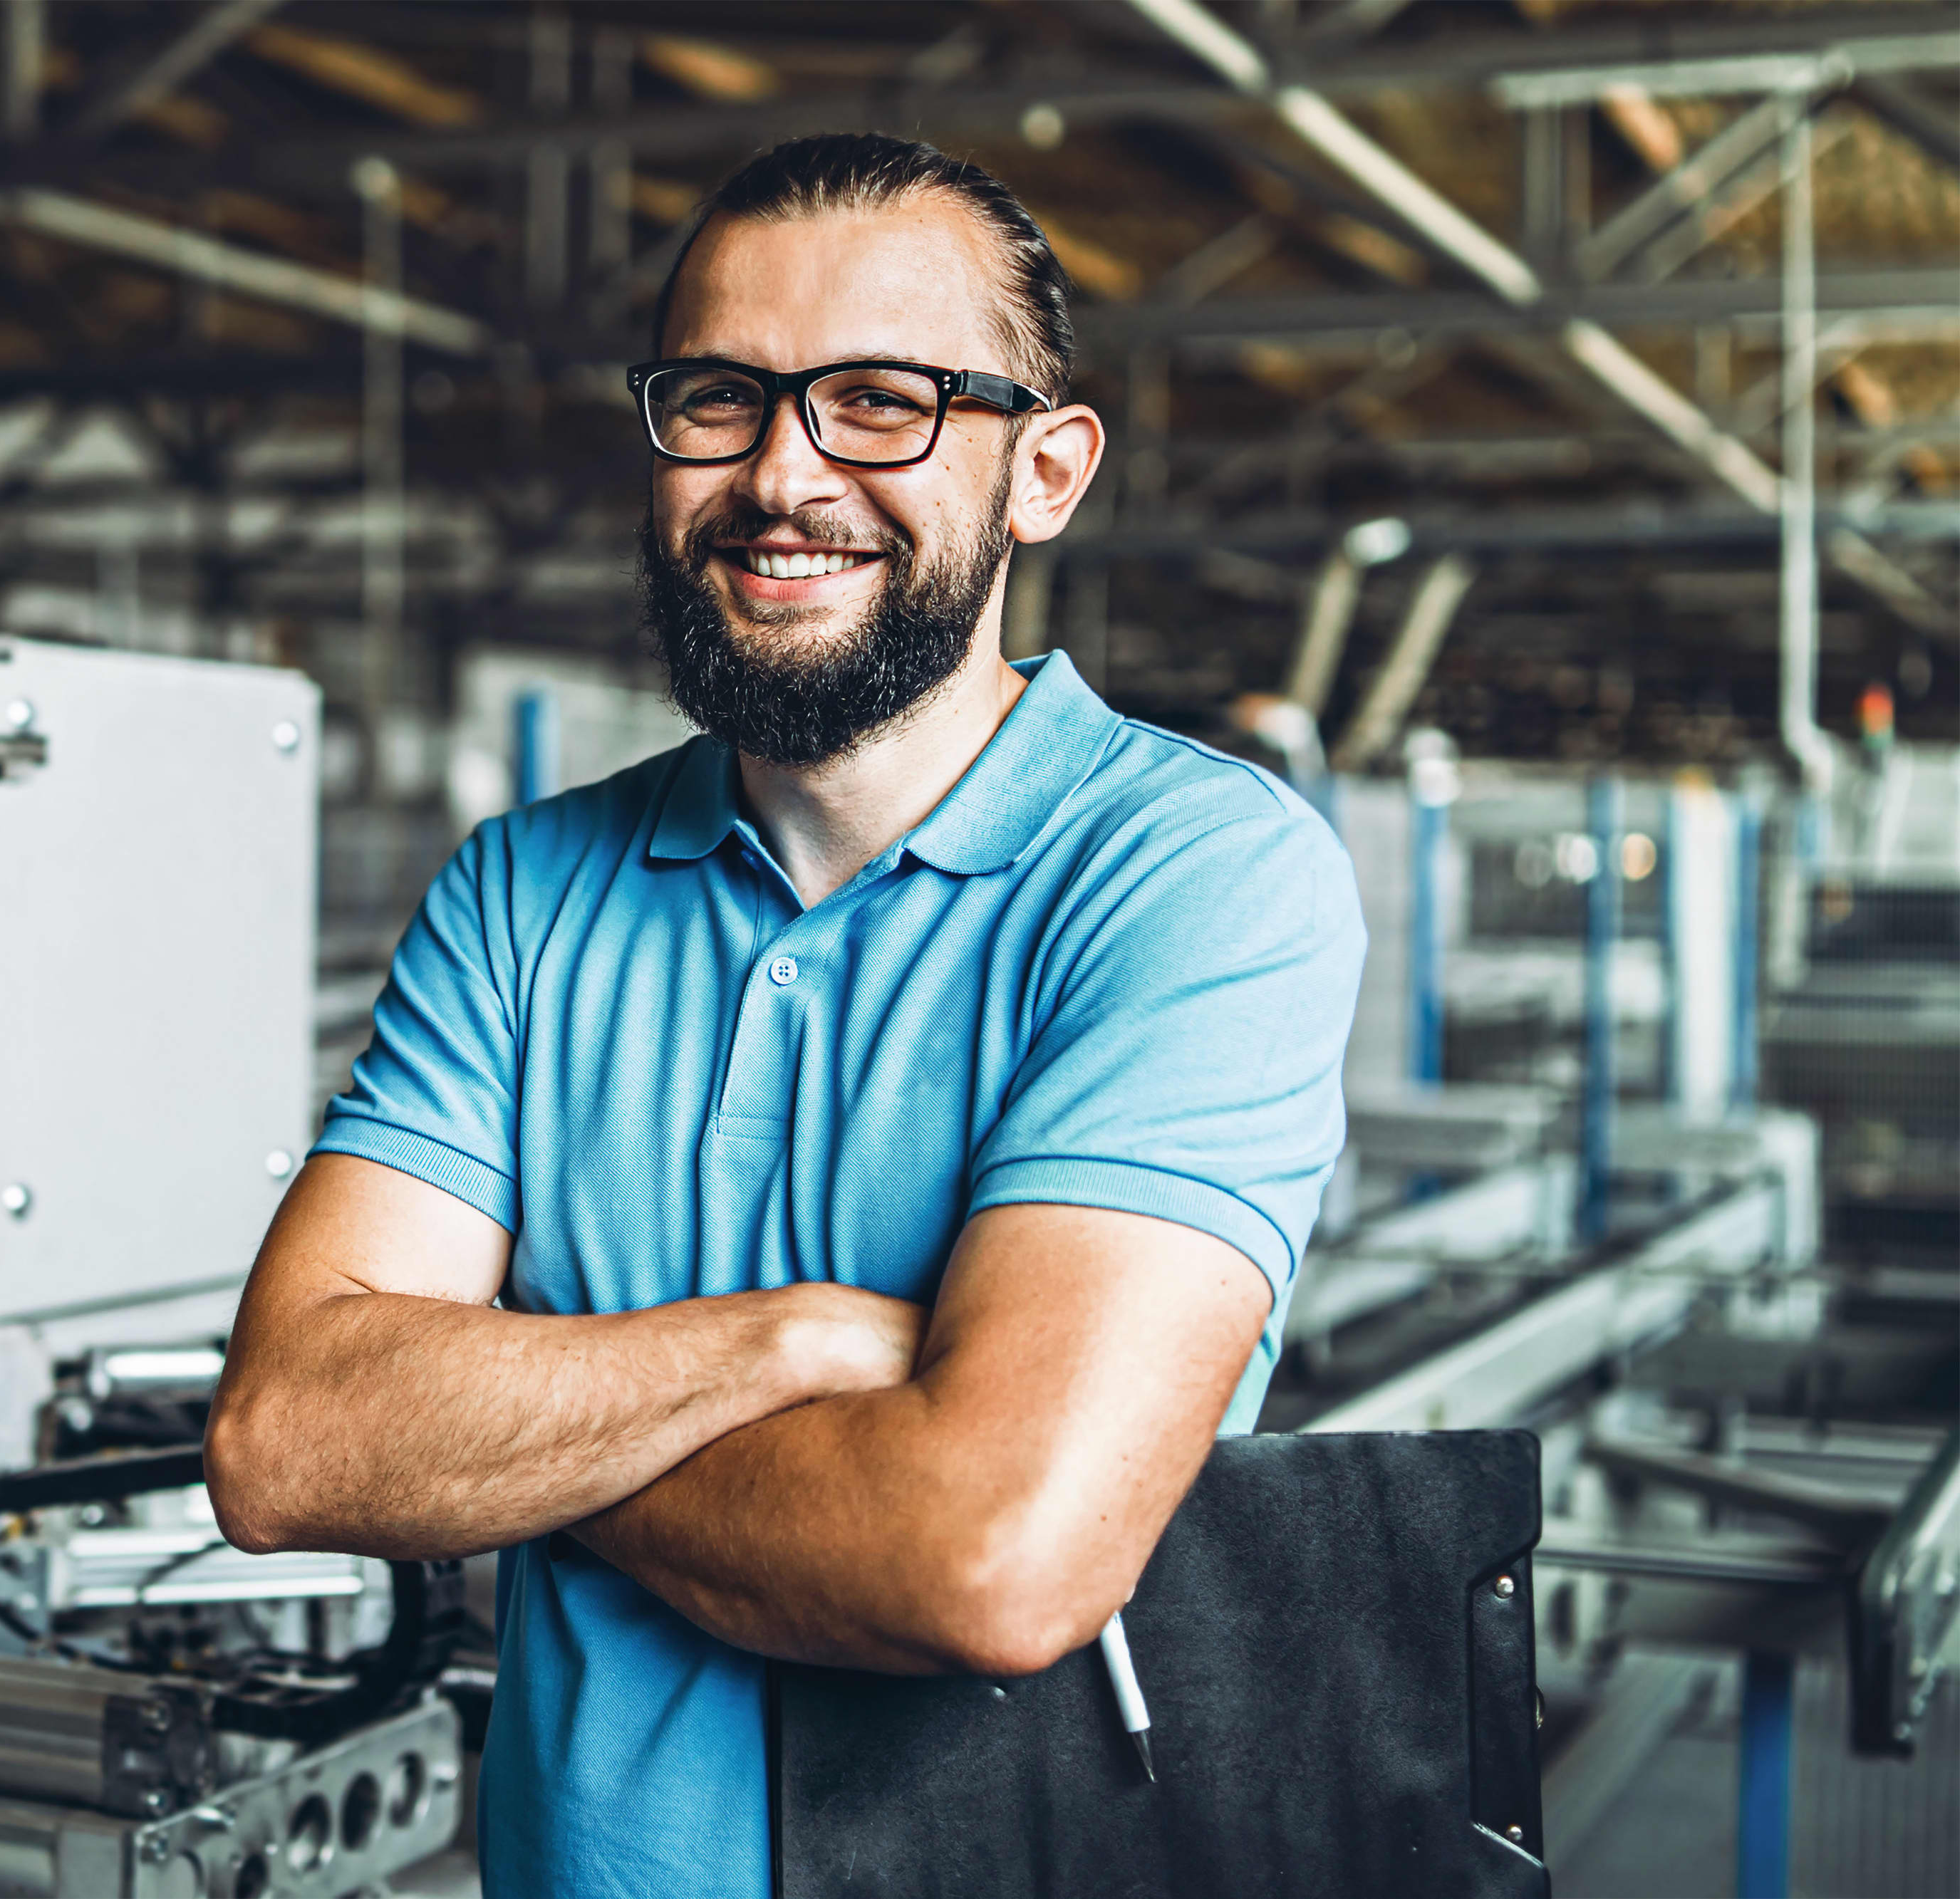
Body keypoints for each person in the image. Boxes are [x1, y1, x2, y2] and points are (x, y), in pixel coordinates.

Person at [204, 132, 1366, 1898]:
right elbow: (286, 1439)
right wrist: (791, 1346)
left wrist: (504, 1450)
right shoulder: (525, 891)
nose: (780, 472)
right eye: (719, 397)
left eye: (882, 403)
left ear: (1042, 472)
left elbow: (988, 1557)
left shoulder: (1195, 875)